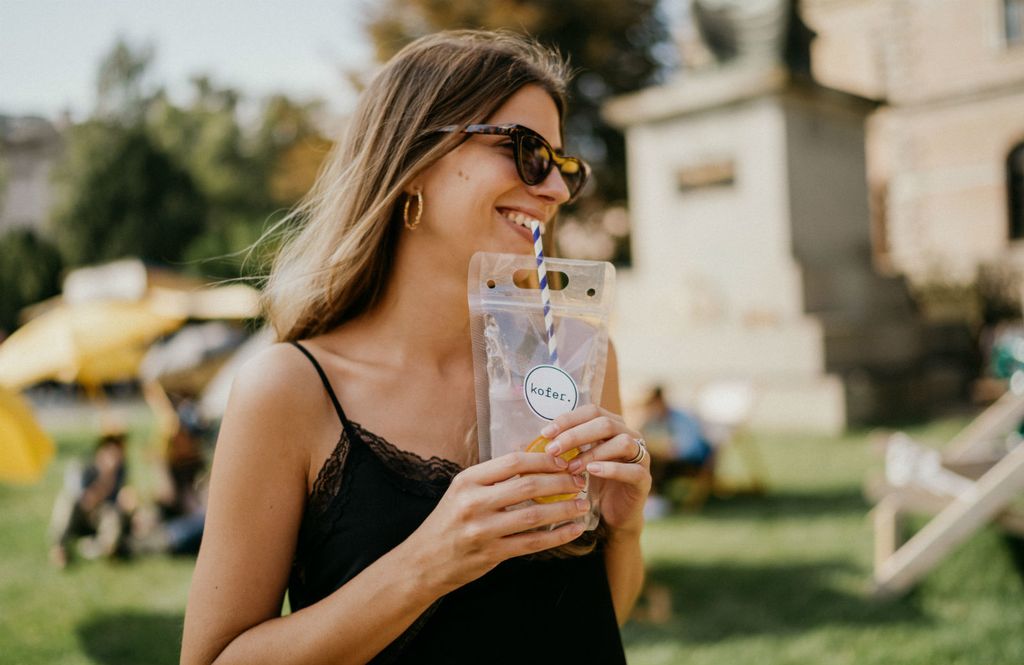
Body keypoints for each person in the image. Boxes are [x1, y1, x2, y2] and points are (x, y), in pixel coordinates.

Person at [181, 30, 651, 665]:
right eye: (527, 150)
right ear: (415, 160)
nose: (558, 191)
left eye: (566, 166)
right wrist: (432, 561)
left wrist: (624, 529)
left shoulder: (574, 358)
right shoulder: (289, 389)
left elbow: (596, 620)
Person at [48, 432, 131, 567]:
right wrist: (106, 478)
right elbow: (85, 501)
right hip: (79, 516)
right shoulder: (82, 468)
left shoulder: (121, 471)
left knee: (112, 514)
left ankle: (108, 548)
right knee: (66, 501)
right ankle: (59, 548)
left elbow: (121, 497)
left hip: (101, 518)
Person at [642, 386, 715, 500]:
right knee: (646, 461)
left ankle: (654, 499)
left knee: (655, 465)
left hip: (691, 461)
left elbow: (689, 448)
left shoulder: (681, 418)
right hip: (666, 460)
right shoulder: (653, 421)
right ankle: (652, 498)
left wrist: (667, 452)